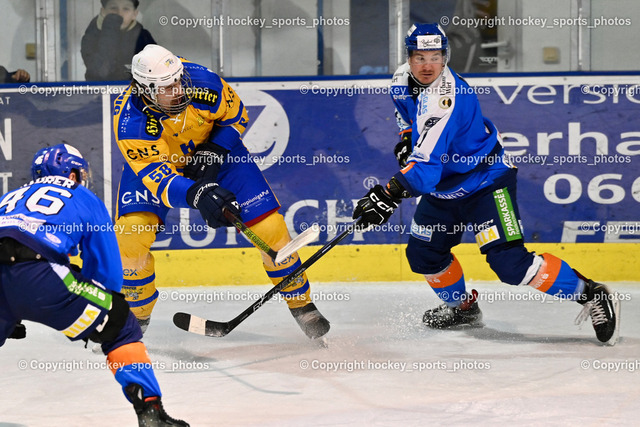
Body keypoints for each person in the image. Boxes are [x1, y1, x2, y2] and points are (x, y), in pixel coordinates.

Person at [352, 23, 620, 345]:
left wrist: (388, 194)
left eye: (435, 57)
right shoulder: (400, 80)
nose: (427, 65)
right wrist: (407, 138)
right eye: (420, 57)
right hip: (445, 189)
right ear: (408, 58)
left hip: (486, 182)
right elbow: (407, 119)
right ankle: (463, 309)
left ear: (446, 57)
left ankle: (591, 293)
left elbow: (425, 171)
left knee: (510, 265)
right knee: (424, 254)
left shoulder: (444, 99)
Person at [112, 44, 330, 339]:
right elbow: (159, 179)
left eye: (178, 81)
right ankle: (136, 317)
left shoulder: (203, 81)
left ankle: (302, 305)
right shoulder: (131, 123)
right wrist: (199, 194)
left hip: (219, 154)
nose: (178, 90)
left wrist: (214, 150)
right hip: (162, 167)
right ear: (146, 90)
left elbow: (237, 116)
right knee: (129, 237)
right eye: (168, 87)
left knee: (270, 229)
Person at [0, 144, 188, 426]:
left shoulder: (9, 197)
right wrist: (105, 308)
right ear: (72, 174)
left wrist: (10, 310)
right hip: (40, 273)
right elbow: (106, 269)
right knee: (122, 324)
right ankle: (151, 413)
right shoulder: (83, 196)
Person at [81, 0, 155, 81]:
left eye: (126, 9)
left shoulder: (144, 37)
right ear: (103, 12)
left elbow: (153, 73)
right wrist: (111, 29)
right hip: (99, 89)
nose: (119, 14)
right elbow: (100, 71)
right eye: (113, 8)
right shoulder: (92, 36)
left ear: (134, 14)